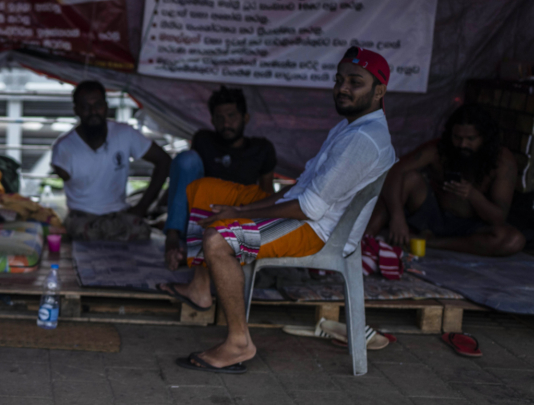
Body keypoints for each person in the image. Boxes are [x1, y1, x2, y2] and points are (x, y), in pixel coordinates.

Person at [161, 47, 397, 373]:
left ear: (379, 90)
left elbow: (309, 207)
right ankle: (200, 289)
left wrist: (238, 215)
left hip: (316, 230)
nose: (342, 88)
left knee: (217, 239)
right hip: (304, 211)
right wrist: (240, 207)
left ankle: (239, 343)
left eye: (355, 82)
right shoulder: (350, 127)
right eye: (339, 80)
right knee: (203, 190)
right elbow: (301, 186)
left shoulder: (364, 140)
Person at [365, 104, 524, 257]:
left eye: (470, 138)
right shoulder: (439, 149)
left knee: (513, 240)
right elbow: (394, 171)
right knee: (407, 178)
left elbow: (498, 218)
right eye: (457, 137)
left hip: (471, 228)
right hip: (432, 216)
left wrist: (473, 195)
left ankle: (432, 243)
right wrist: (397, 217)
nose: (463, 144)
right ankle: (364, 240)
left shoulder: (502, 161)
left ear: (485, 138)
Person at [164, 87, 278, 270]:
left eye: (232, 116)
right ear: (212, 120)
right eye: (219, 118)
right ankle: (173, 238)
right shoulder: (204, 140)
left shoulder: (261, 149)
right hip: (201, 219)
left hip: (238, 220)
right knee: (187, 159)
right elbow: (186, 178)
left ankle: (197, 253)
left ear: (245, 118)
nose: (226, 124)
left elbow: (267, 194)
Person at [51, 80, 172, 241]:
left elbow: (164, 161)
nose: (93, 111)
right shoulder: (64, 147)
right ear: (76, 110)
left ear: (106, 106)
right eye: (86, 107)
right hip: (82, 216)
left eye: (98, 105)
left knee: (141, 230)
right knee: (83, 231)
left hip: (119, 214)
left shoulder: (125, 133)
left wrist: (143, 206)